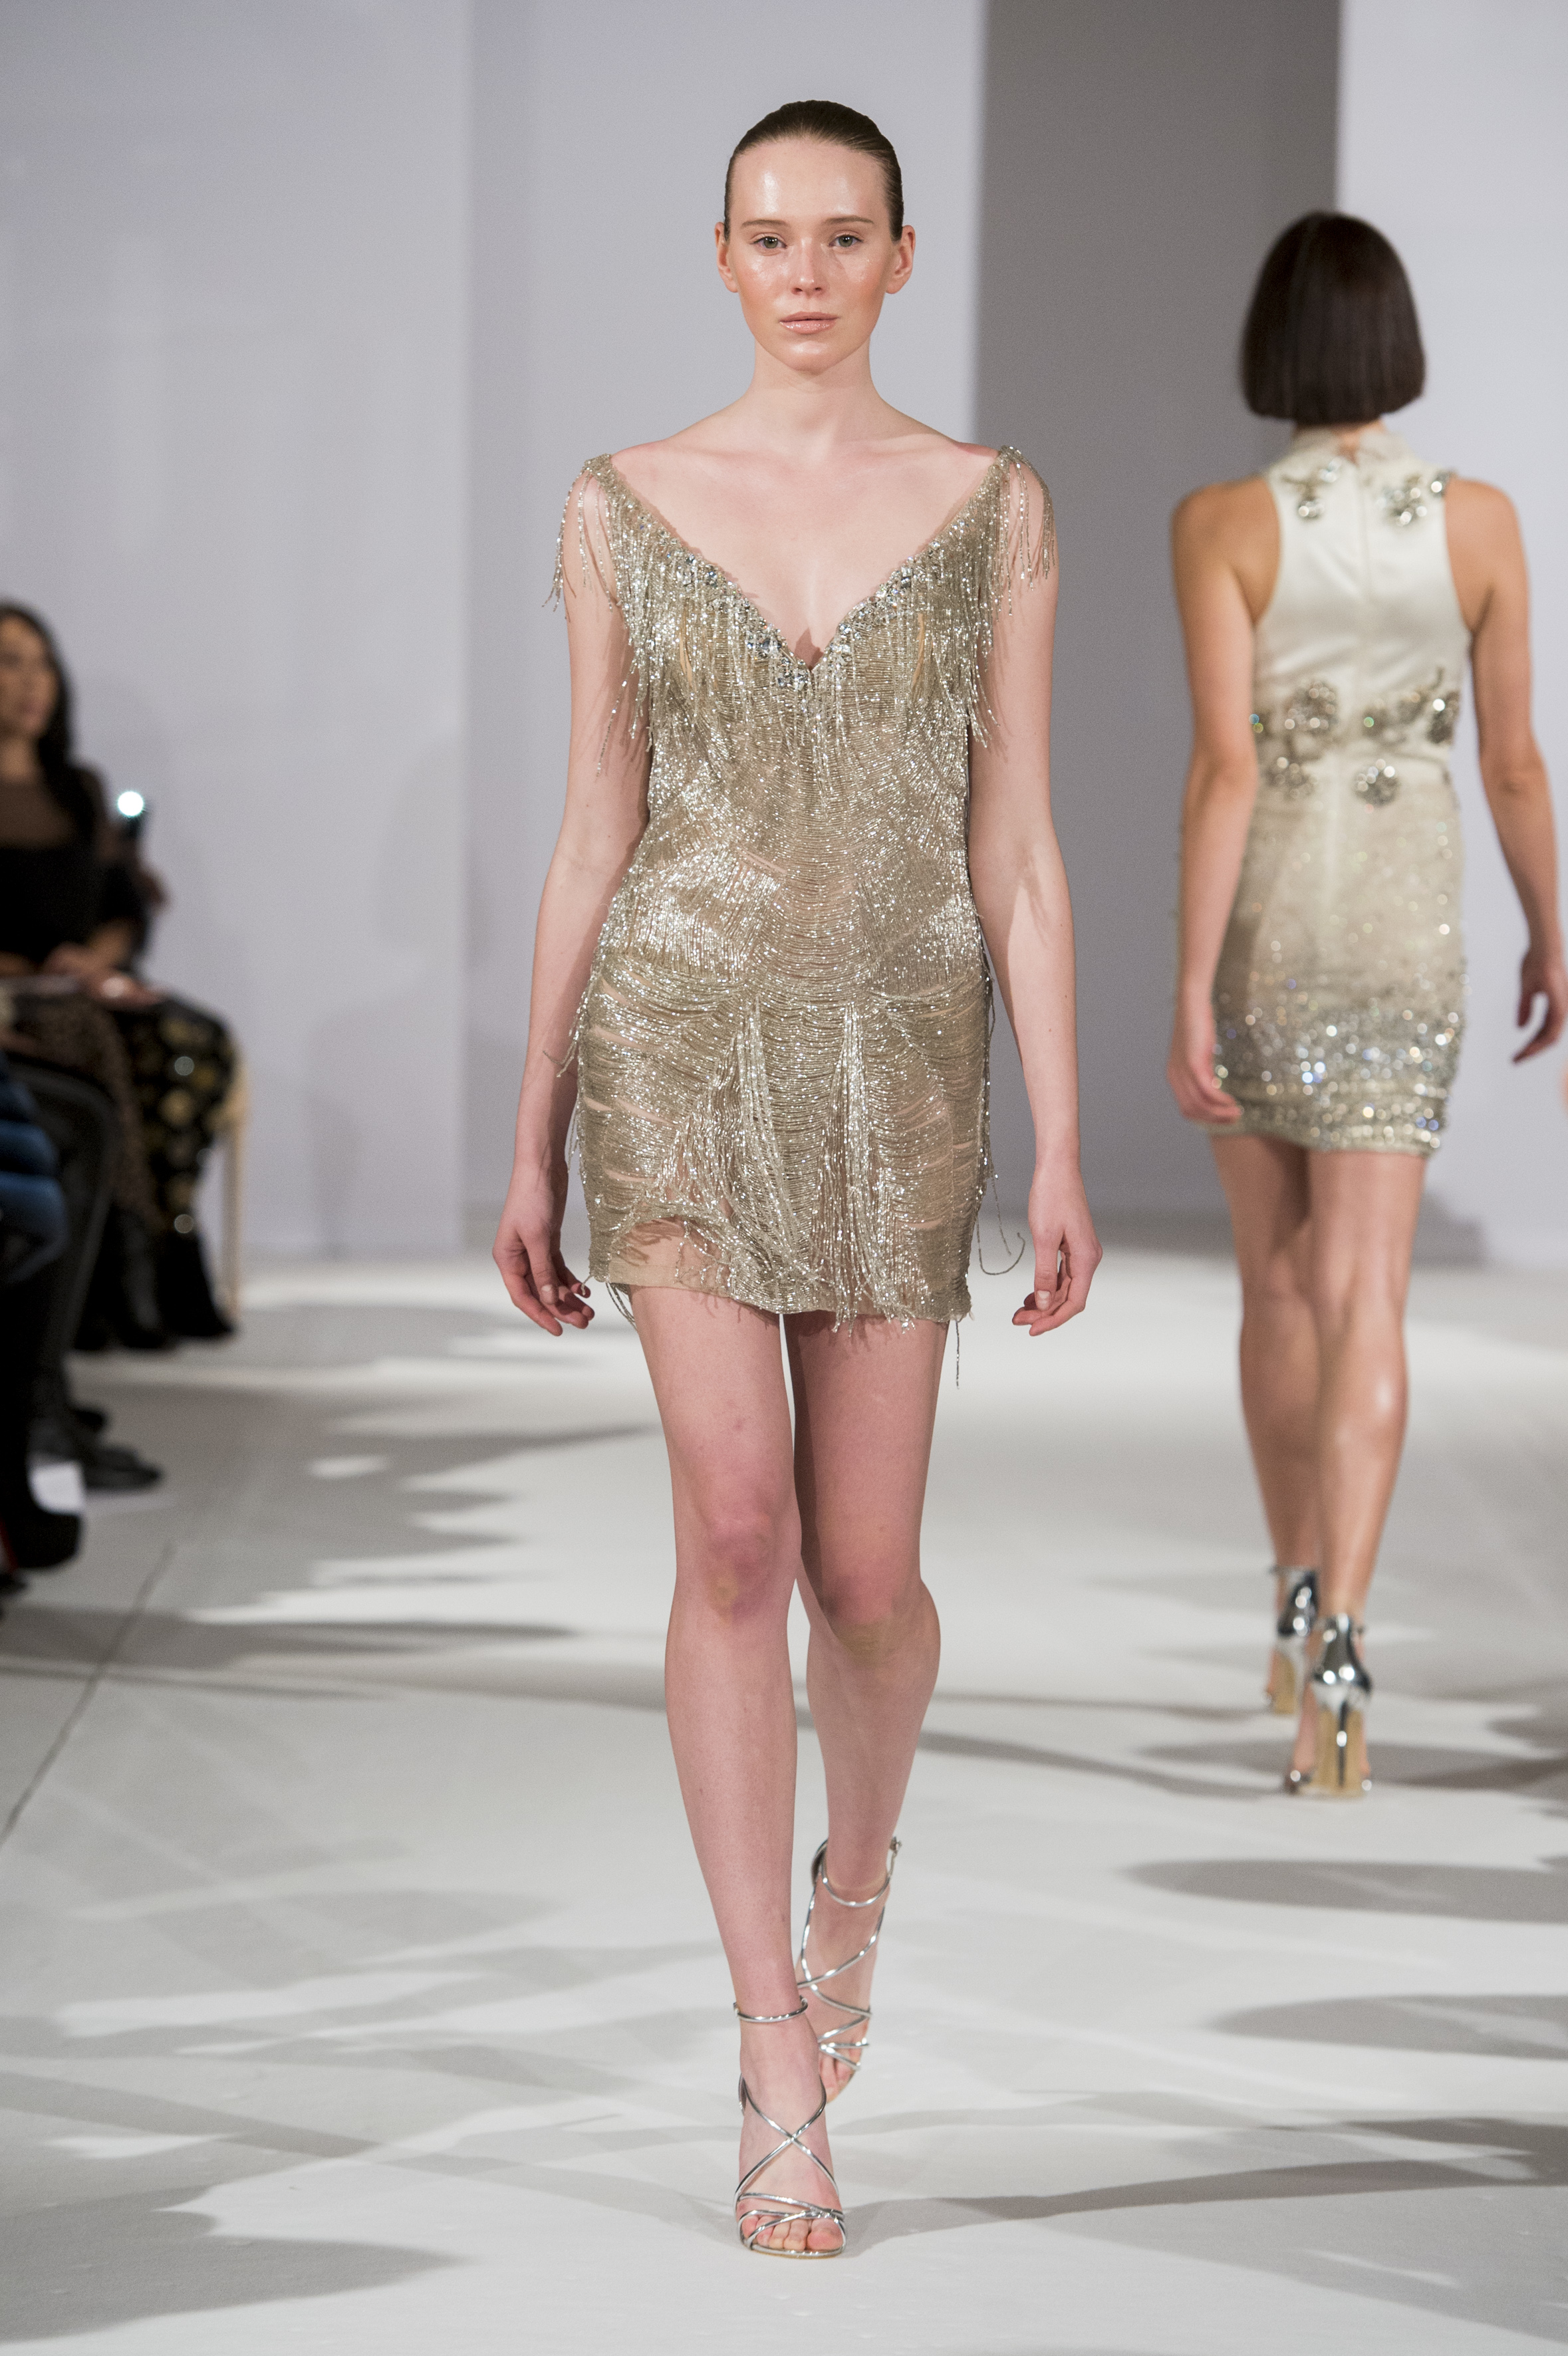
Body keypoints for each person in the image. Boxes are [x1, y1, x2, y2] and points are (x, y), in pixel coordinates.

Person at [493, 100, 1098, 2255]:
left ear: (900, 255)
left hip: (900, 1061)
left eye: (843, 235)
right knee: (732, 1533)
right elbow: (594, 821)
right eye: (769, 235)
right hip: (674, 1040)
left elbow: (1014, 843)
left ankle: (856, 1873)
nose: (806, 271)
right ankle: (768, 2047)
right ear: (722, 253)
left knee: (864, 1577)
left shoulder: (990, 505)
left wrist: (1060, 1133)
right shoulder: (623, 501)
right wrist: (531, 1123)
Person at [1167, 213, 1565, 1797]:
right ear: (1396, 340)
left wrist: (1186, 983)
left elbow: (1225, 767)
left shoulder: (1220, 524)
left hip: (1275, 921)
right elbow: (1513, 764)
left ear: (1269, 341)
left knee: (1274, 1293)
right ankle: (1340, 1649)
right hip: (1406, 927)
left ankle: (1290, 1601)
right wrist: (1553, 932)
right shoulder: (1479, 520)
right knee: (1365, 1300)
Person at [0, 602, 237, 1345]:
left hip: (80, 987)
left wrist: (93, 962)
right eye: (11, 662)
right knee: (90, 1036)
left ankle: (171, 1244)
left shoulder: (77, 790)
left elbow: (123, 906)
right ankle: (122, 1266)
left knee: (192, 1040)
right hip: (17, 999)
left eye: (43, 663)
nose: (32, 682)